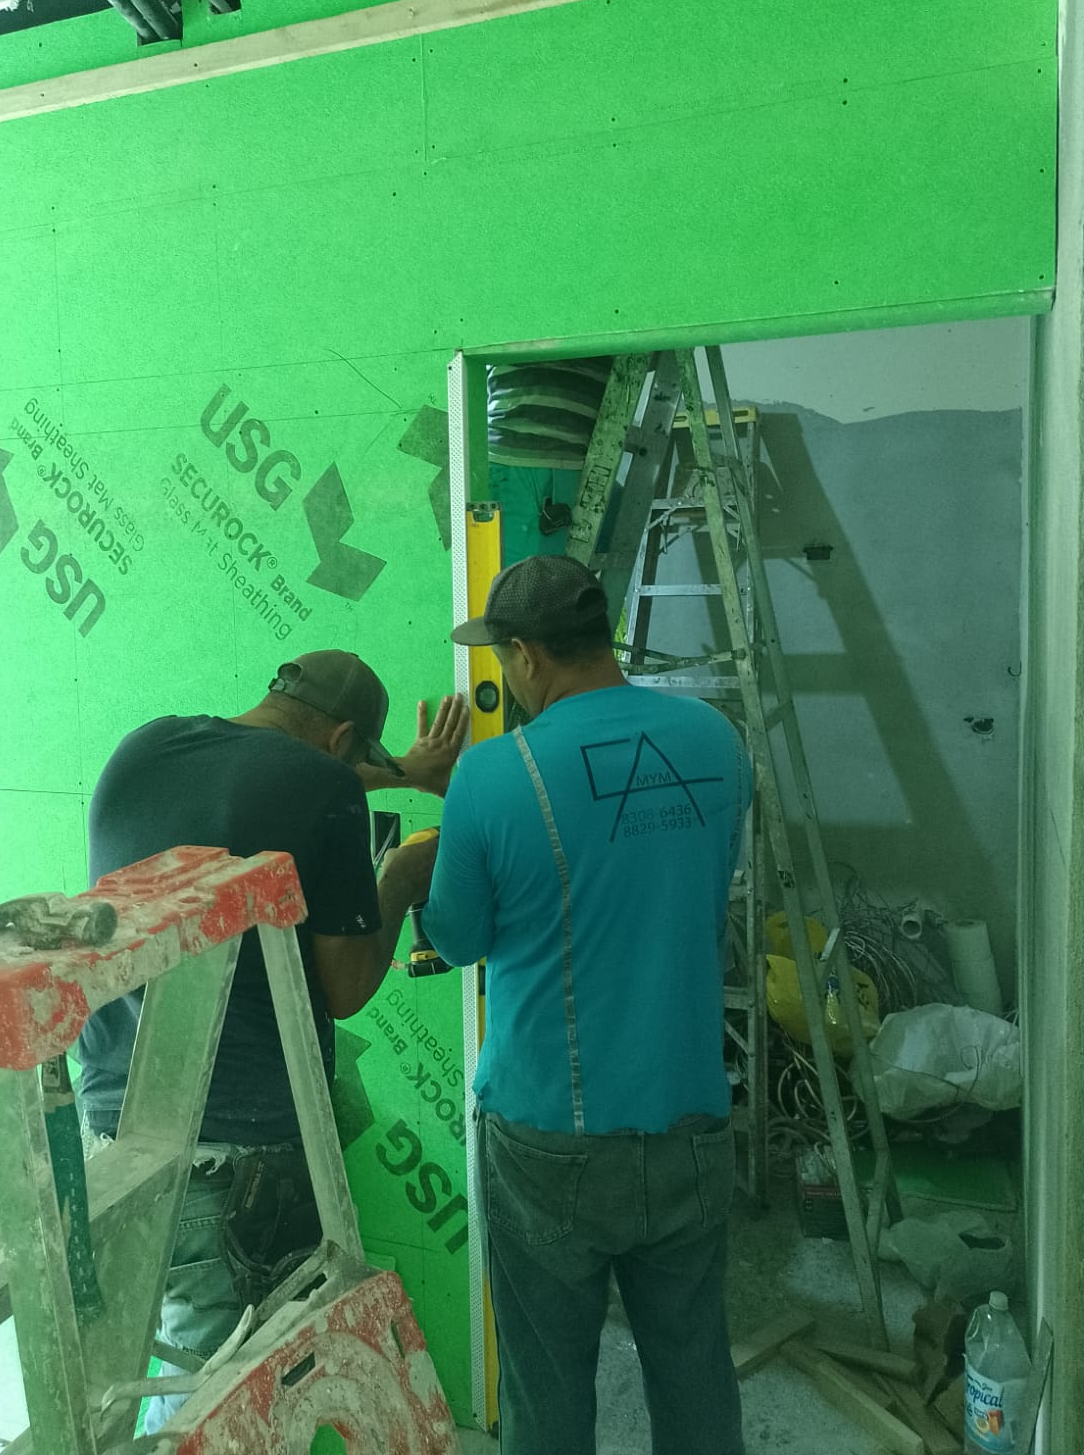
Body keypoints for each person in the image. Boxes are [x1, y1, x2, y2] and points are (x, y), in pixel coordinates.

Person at [76, 651, 464, 1435]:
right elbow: (346, 988)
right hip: (237, 1160)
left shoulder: (148, 746)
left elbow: (266, 788)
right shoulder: (322, 791)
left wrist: (398, 774)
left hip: (114, 1129)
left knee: (130, 1379)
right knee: (222, 1409)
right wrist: (402, 878)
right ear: (345, 736)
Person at [421, 556, 750, 1455]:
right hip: (691, 1117)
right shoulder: (717, 741)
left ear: (526, 656)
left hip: (547, 1139)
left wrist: (432, 840)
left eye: (501, 659)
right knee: (693, 1371)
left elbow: (455, 939)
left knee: (549, 1388)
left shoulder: (492, 776)